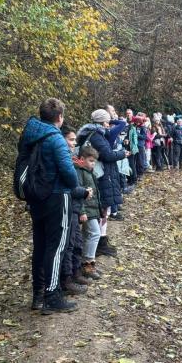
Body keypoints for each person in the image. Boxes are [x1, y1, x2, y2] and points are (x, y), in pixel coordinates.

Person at [20, 98, 79, 314]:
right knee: (57, 247)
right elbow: (69, 175)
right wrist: (73, 181)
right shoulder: (56, 139)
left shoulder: (30, 133)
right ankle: (52, 295)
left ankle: (38, 294)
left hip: (36, 196)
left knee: (41, 245)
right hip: (57, 196)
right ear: (60, 117)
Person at [77, 109, 129, 257]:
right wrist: (122, 154)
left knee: (103, 210)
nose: (108, 124)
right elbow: (107, 155)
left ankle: (101, 240)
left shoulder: (95, 133)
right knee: (100, 210)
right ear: (101, 122)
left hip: (100, 176)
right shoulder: (97, 136)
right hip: (100, 177)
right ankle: (97, 244)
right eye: (106, 121)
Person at [60, 126, 92, 296]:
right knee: (69, 244)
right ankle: (67, 280)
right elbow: (70, 187)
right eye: (71, 140)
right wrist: (84, 192)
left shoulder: (73, 159)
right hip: (69, 207)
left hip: (76, 207)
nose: (73, 143)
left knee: (77, 243)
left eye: (74, 140)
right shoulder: (64, 159)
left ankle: (75, 273)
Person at [74, 146, 102, 280]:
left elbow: (95, 195)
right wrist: (82, 211)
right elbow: (79, 193)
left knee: (87, 235)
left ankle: (86, 263)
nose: (93, 163)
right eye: (90, 161)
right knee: (95, 233)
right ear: (82, 159)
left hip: (92, 210)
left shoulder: (90, 172)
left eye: (94, 161)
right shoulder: (79, 172)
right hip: (86, 211)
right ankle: (88, 263)